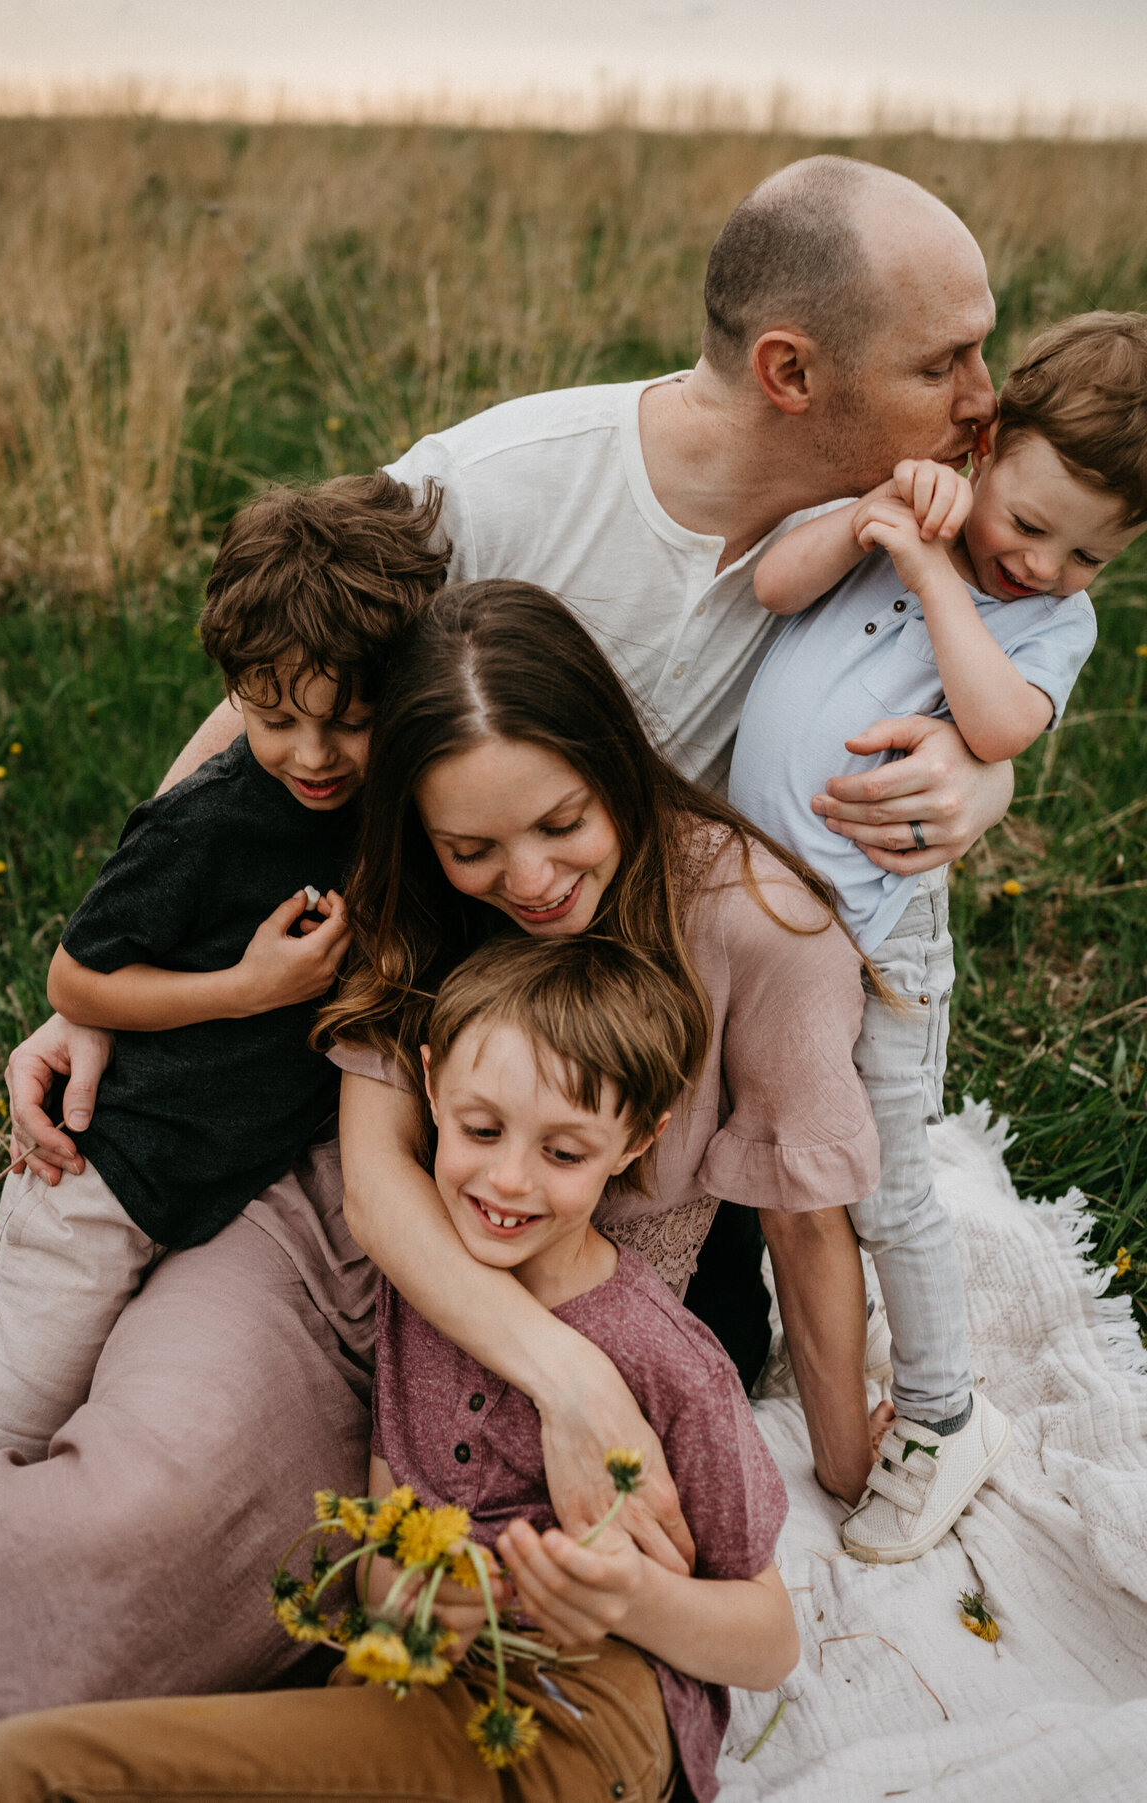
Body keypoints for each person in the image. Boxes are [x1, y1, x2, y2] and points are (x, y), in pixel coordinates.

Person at [3, 153, 1011, 1543]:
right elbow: (267, 704)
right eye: (949, 359)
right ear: (791, 369)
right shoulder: (499, 489)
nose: (986, 397)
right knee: (215, 1436)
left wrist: (982, 773)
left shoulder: (891, 530)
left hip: (635, 1063)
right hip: (407, 1010)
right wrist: (107, 968)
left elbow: (994, 672)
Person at [0, 934, 798, 1803]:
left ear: (635, 1141)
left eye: (564, 1152)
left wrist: (630, 1598)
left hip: (572, 1712)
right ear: (429, 1084)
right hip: (407, 1679)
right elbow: (378, 1567)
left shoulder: (664, 1357)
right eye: (481, 1129)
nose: (509, 1179)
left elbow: (770, 1639)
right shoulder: (419, 1300)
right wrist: (427, 1599)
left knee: (27, 1774)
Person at [325, 577, 887, 1524]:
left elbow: (802, 1219)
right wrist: (565, 1379)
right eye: (474, 847)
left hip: (653, 1313)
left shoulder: (759, 924)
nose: (533, 881)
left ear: (618, 766)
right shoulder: (420, 895)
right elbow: (376, 1177)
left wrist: (843, 1466)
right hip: (429, 1303)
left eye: (563, 823)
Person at [731, 310, 1147, 1560]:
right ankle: (817, 1342)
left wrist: (931, 571)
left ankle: (943, 1411)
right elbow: (770, 585)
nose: (1045, 565)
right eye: (1027, 524)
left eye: (1089, 554)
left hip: (880, 940)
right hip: (760, 918)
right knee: (796, 1156)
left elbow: (999, 724)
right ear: (989, 439)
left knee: (892, 1185)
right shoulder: (902, 513)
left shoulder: (1044, 626)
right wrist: (869, 523)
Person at [0, 473, 446, 1473]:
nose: (313, 755)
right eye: (273, 719)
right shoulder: (207, 821)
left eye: (348, 721)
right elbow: (76, 984)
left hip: (223, 1192)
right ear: (235, 692)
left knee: (109, 1391)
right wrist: (249, 990)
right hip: (105, 1179)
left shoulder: (398, 802)